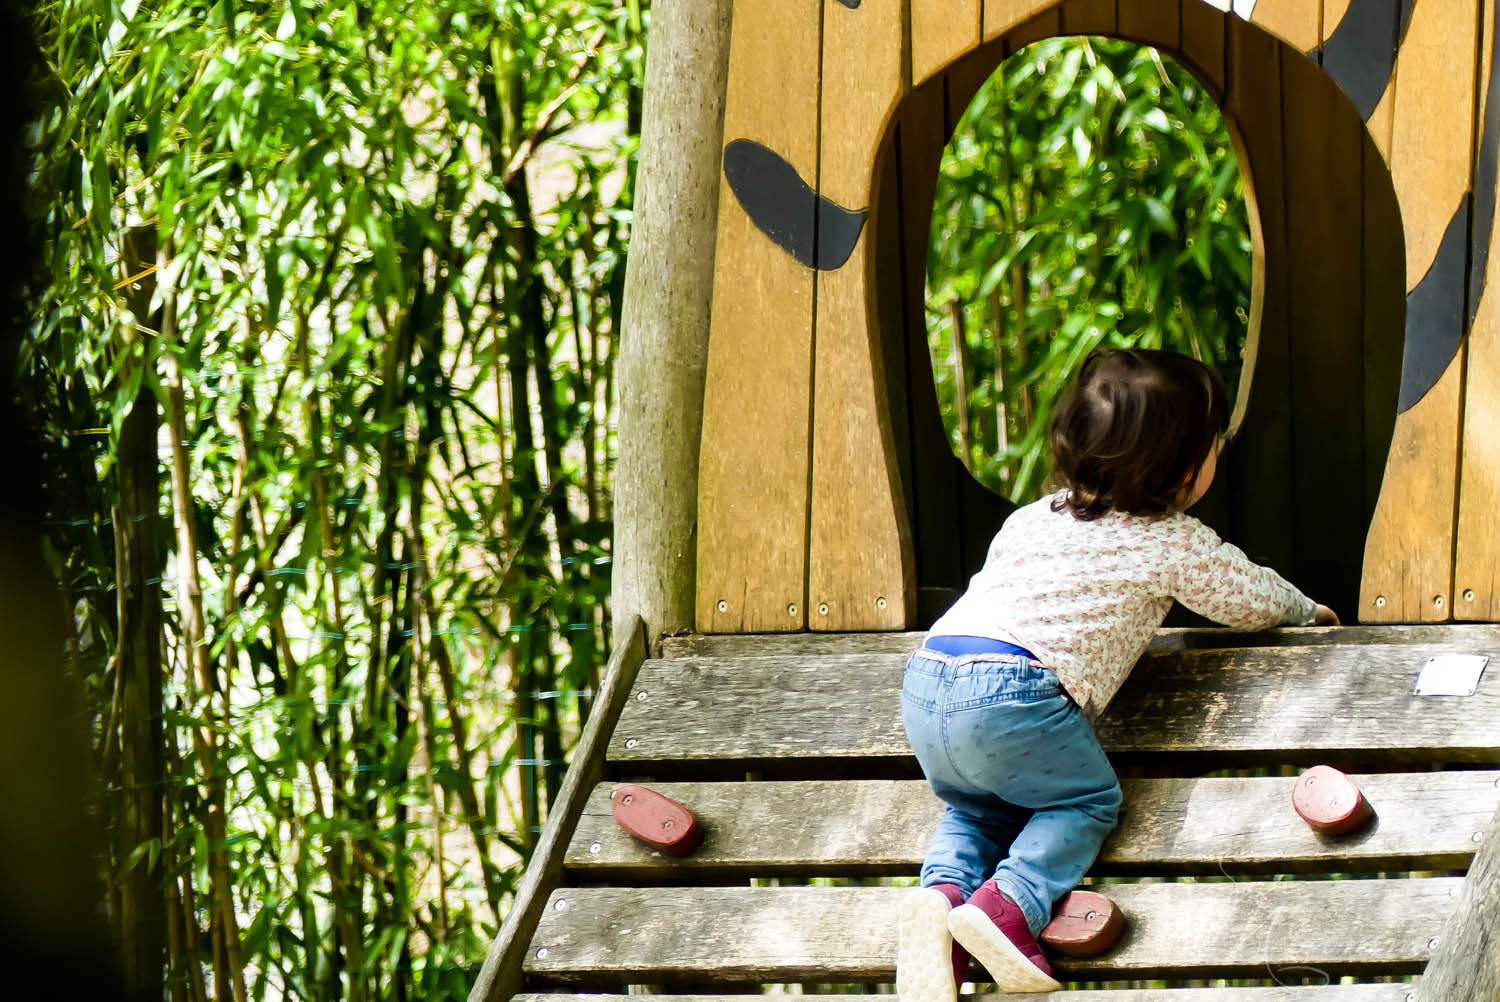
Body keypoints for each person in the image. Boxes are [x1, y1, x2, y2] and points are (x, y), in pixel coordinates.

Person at [895, 348, 1338, 998]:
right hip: (1015, 692)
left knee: (977, 809)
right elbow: (1247, 599)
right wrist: (1307, 611)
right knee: (1086, 800)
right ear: (1188, 469)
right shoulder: (1170, 540)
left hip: (931, 677)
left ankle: (939, 906)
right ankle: (1010, 906)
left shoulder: (1031, 518)